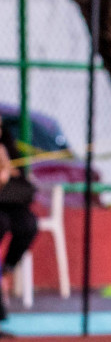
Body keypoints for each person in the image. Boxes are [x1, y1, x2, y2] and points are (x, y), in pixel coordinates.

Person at [0, 119, 38, 328]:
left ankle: (7, 269)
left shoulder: (8, 150)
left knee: (28, 224)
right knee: (1, 223)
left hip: (11, 203)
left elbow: (21, 180)